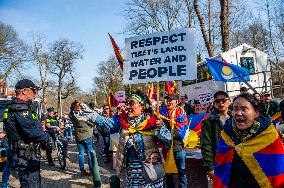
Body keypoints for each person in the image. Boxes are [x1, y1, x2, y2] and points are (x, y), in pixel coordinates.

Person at [73, 91, 164, 187]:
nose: (128, 106)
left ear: (142, 106)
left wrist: (162, 127)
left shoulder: (154, 121)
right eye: (127, 103)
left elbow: (168, 142)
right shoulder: (123, 121)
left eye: (132, 103)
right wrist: (87, 112)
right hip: (133, 174)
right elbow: (105, 122)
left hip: (151, 172)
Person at [214, 93, 284, 187]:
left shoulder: (269, 135)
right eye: (235, 109)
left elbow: (277, 170)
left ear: (256, 112)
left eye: (244, 109)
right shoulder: (226, 135)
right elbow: (221, 168)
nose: (238, 113)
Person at [3, 79, 52, 187]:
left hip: (25, 153)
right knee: (32, 184)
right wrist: (47, 138)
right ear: (24, 91)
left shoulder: (17, 106)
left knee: (28, 183)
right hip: (26, 154)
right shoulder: (19, 108)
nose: (35, 93)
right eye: (33, 90)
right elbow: (31, 131)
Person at [159, 94, 189, 188]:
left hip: (178, 146)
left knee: (182, 171)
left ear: (176, 102)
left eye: (170, 100)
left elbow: (183, 128)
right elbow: (157, 129)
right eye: (167, 100)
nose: (168, 102)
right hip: (166, 148)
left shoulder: (180, 111)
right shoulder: (161, 112)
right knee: (168, 172)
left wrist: (169, 130)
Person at [200, 91, 231, 180]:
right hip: (219, 162)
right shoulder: (208, 122)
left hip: (236, 161)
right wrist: (209, 167)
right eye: (218, 101)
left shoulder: (237, 118)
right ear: (214, 104)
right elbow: (206, 145)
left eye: (223, 100)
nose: (221, 103)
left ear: (229, 101)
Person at [69, 101, 95, 177]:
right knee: (89, 153)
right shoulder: (82, 114)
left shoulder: (72, 115)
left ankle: (82, 171)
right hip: (87, 135)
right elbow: (90, 122)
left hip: (78, 136)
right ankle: (91, 170)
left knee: (81, 154)